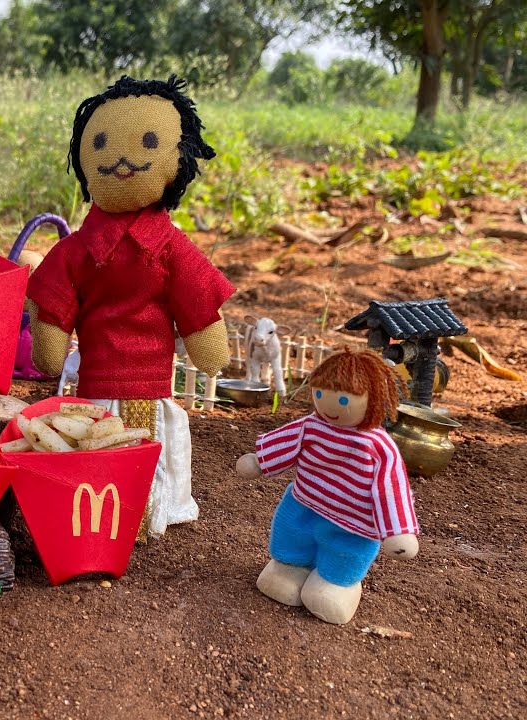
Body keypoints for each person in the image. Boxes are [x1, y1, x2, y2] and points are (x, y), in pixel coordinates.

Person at [26, 76, 233, 538]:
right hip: (97, 379)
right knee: (101, 445)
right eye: (101, 143)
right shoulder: (82, 249)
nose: (120, 158)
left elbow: (197, 299)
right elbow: (54, 294)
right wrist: (50, 339)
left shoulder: (167, 248)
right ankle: (111, 519)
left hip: (148, 381)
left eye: (149, 143)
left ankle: (133, 518)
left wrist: (206, 338)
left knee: (135, 446)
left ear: (177, 160)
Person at [236, 349, 419, 624]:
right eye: (319, 394)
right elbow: (286, 443)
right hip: (305, 505)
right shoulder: (312, 426)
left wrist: (398, 530)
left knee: (343, 556)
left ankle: (337, 584)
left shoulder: (377, 446)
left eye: (343, 400)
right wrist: (260, 461)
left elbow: (391, 487)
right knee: (292, 538)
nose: (328, 407)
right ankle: (290, 568)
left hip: (352, 522)